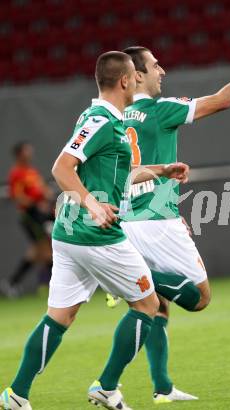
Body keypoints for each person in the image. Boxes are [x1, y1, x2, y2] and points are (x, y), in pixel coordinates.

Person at [0, 51, 190, 410]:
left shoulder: (100, 118)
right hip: (94, 233)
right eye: (135, 75)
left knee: (60, 316)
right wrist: (93, 204)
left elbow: (119, 173)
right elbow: (61, 169)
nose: (138, 81)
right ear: (123, 81)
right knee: (148, 305)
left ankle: (16, 395)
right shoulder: (102, 119)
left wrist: (162, 170)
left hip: (69, 234)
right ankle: (106, 387)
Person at [103, 43, 230, 404]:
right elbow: (222, 100)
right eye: (155, 65)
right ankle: (124, 277)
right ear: (136, 75)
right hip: (156, 221)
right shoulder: (159, 110)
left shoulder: (113, 116)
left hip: (126, 221)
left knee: (153, 306)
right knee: (200, 297)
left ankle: (157, 386)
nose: (162, 70)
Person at [2, 142, 54, 297]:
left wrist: (45, 197)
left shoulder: (31, 171)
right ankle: (49, 284)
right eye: (26, 150)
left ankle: (13, 282)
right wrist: (35, 204)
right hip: (30, 216)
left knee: (37, 251)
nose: (30, 152)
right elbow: (18, 197)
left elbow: (42, 190)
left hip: (39, 213)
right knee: (45, 250)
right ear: (19, 154)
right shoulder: (16, 173)